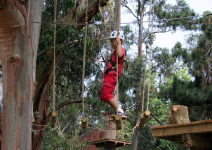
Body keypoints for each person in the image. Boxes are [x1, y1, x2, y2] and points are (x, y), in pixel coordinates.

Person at [100, 30, 126, 116]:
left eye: (112, 41)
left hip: (112, 76)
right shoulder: (116, 50)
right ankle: (117, 109)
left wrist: (118, 43)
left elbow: (120, 55)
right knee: (104, 96)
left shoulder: (120, 49)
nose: (111, 44)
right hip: (110, 76)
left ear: (117, 40)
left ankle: (119, 110)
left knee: (107, 94)